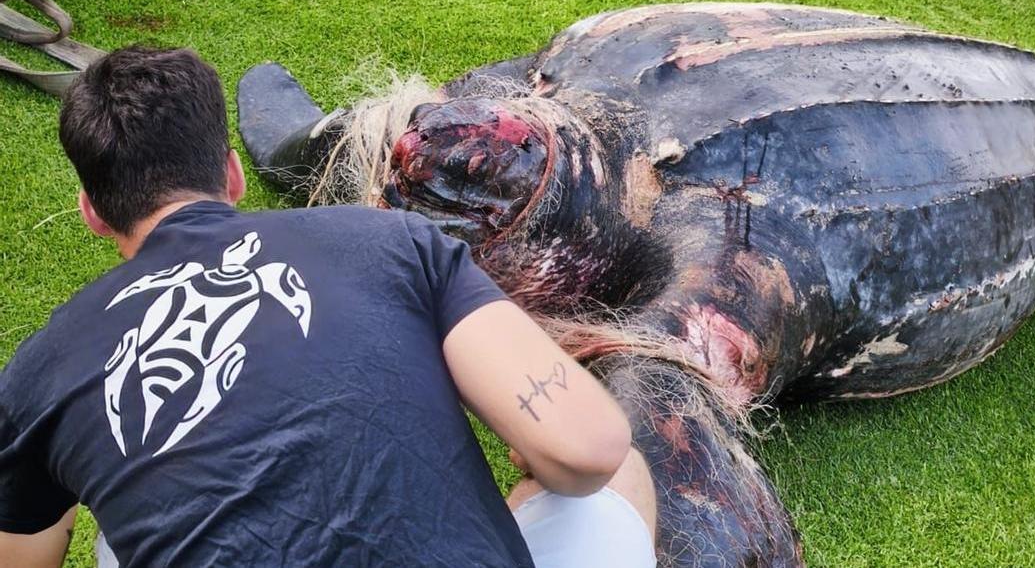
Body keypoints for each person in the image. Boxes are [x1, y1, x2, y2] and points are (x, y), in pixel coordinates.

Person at [0, 47, 657, 567]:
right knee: (618, 471)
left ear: (91, 212)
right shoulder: (393, 241)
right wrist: (542, 447)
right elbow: (589, 450)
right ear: (232, 174)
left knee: (120, 537)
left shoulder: (40, 370)